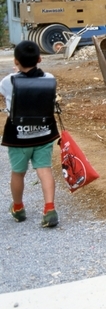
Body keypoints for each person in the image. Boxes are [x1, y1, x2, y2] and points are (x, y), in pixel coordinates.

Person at [2, 40, 60, 227]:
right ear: (40, 59)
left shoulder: (8, 81)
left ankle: (18, 208)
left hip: (18, 136)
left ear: (16, 61)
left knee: (18, 173)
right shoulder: (49, 78)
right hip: (44, 133)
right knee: (45, 170)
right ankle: (49, 209)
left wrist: (17, 71)